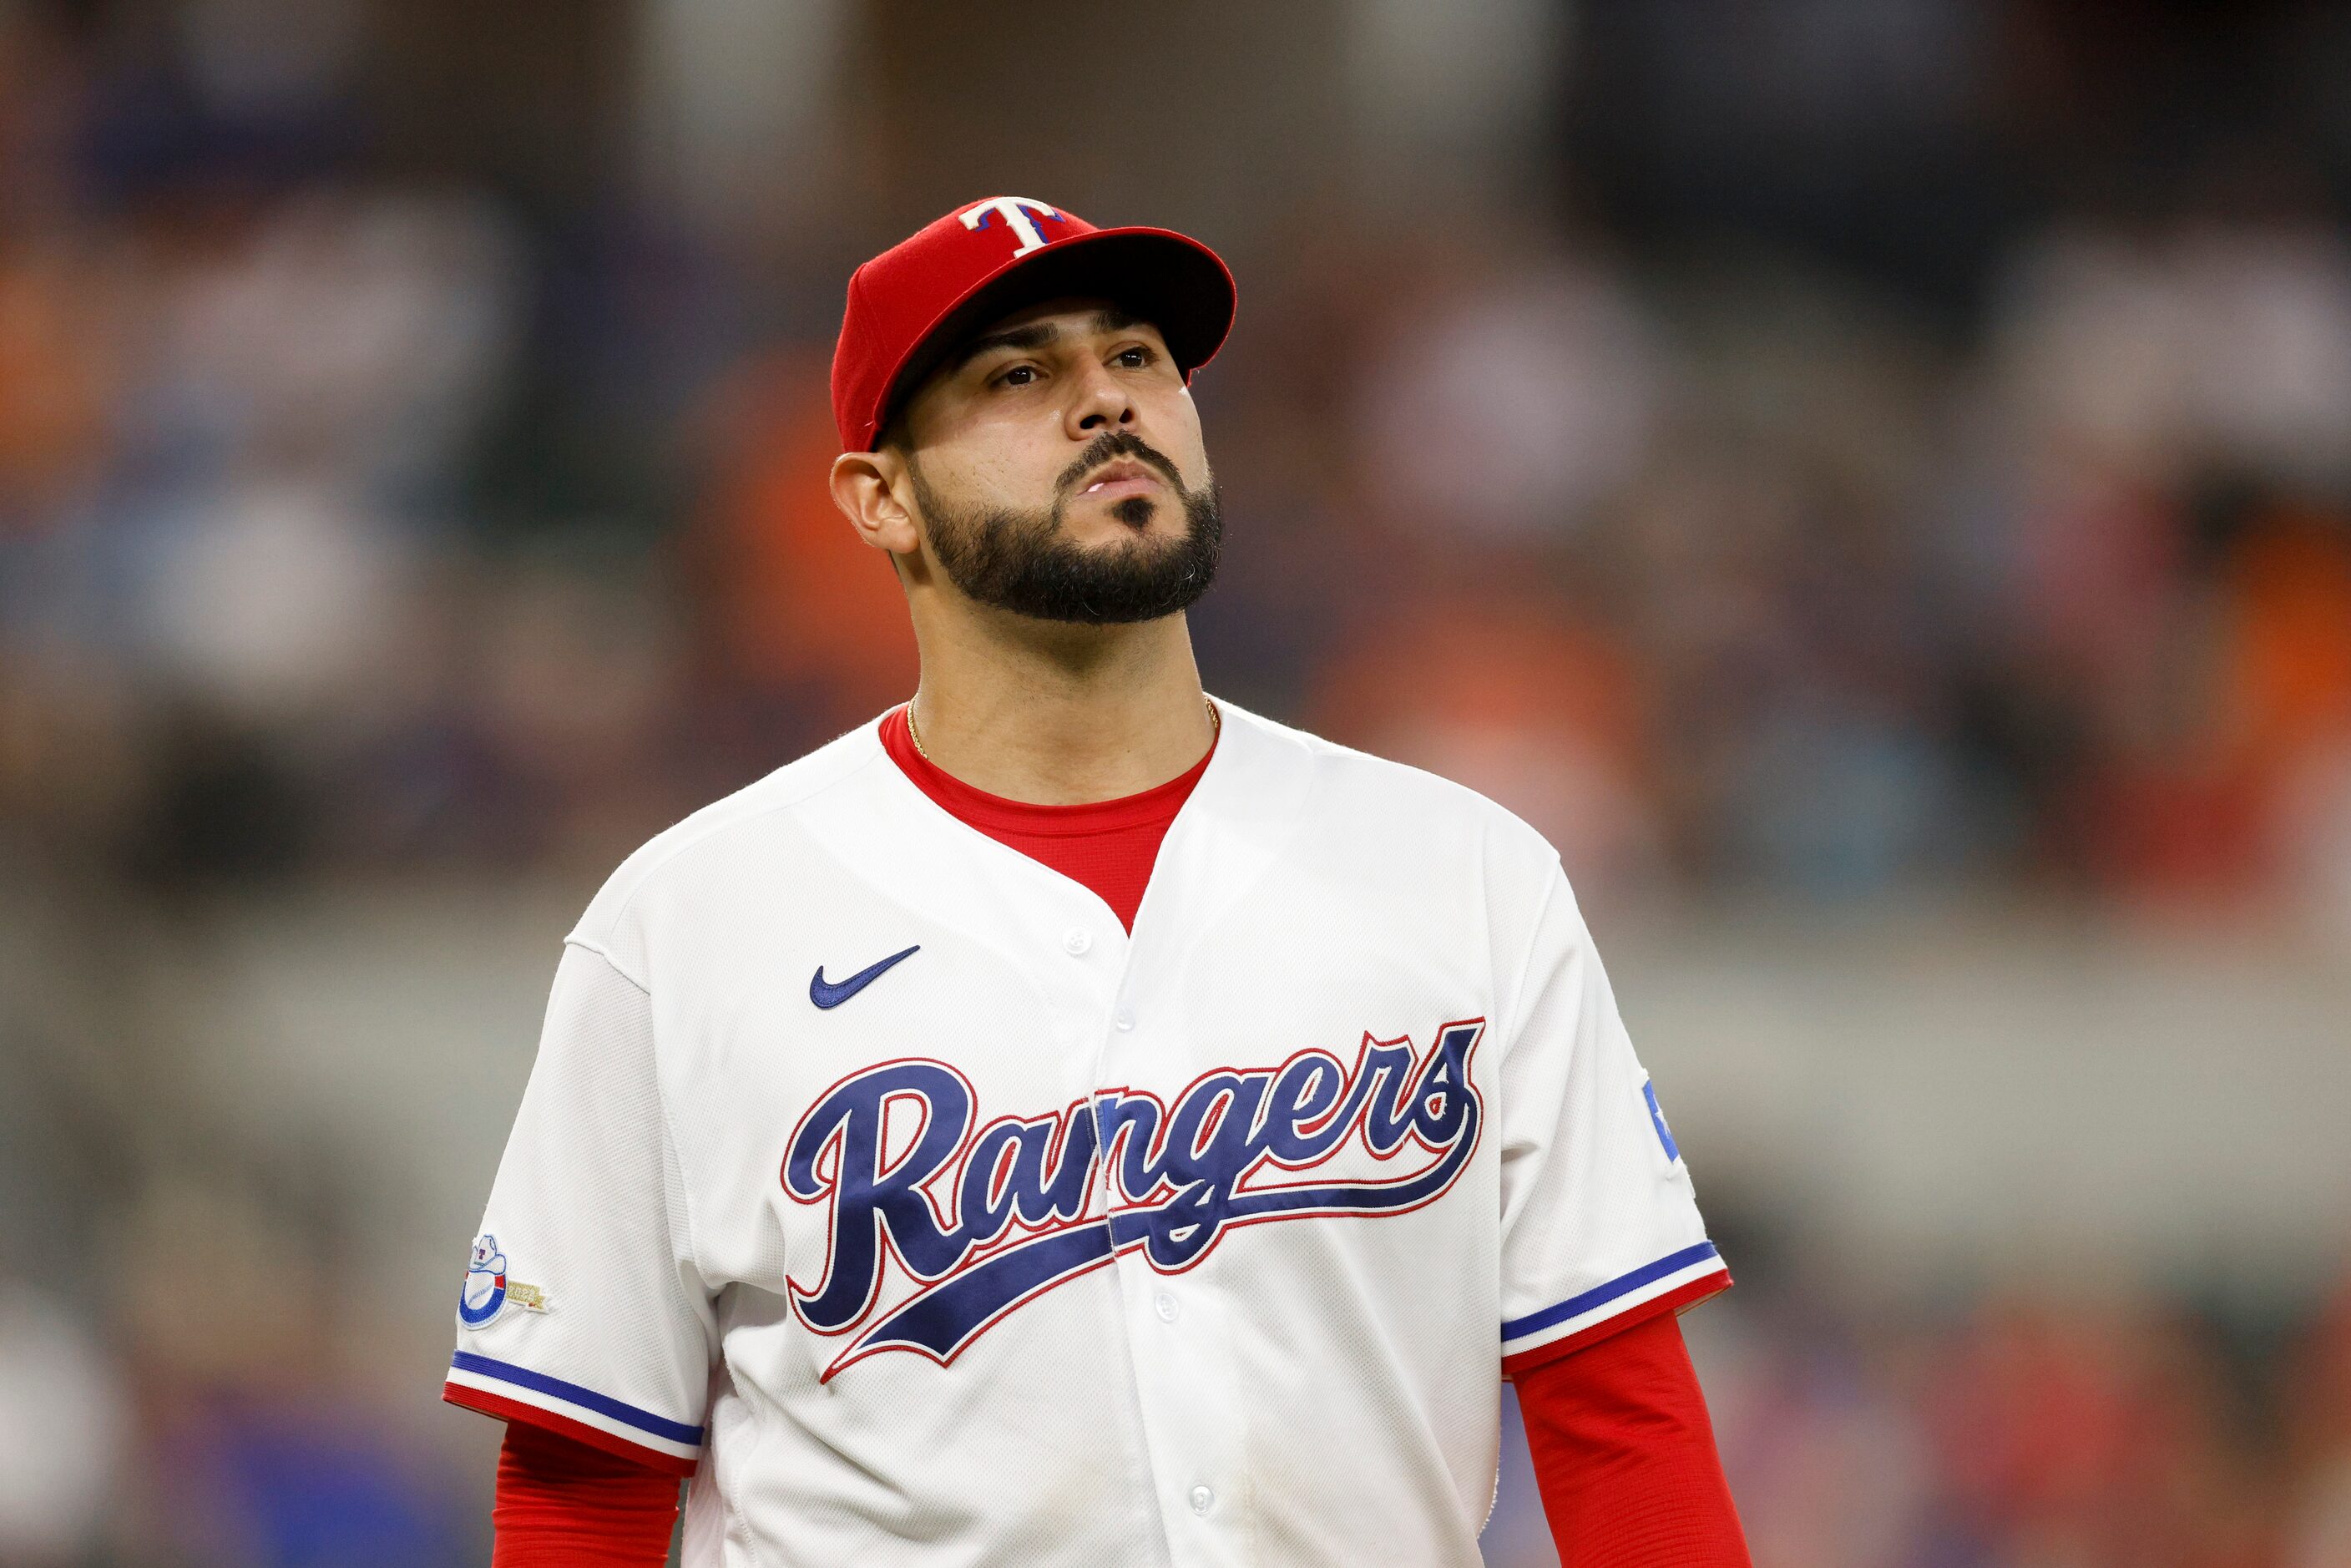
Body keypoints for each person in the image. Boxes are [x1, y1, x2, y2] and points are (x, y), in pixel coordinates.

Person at [444, 195, 1752, 1566]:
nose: (1105, 404)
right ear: (879, 497)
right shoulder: (688, 925)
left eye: (1137, 361)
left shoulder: (1463, 871)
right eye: (1021, 375)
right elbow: (581, 1481)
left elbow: (1621, 1418)